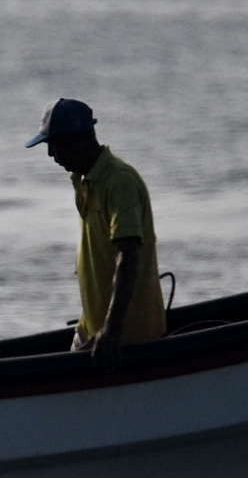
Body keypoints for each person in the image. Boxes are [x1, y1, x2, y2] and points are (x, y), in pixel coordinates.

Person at [28, 95, 166, 351]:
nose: (50, 154)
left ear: (76, 141)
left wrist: (112, 329)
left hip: (128, 336)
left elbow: (128, 255)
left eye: (53, 145)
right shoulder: (84, 180)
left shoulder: (119, 181)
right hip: (93, 328)